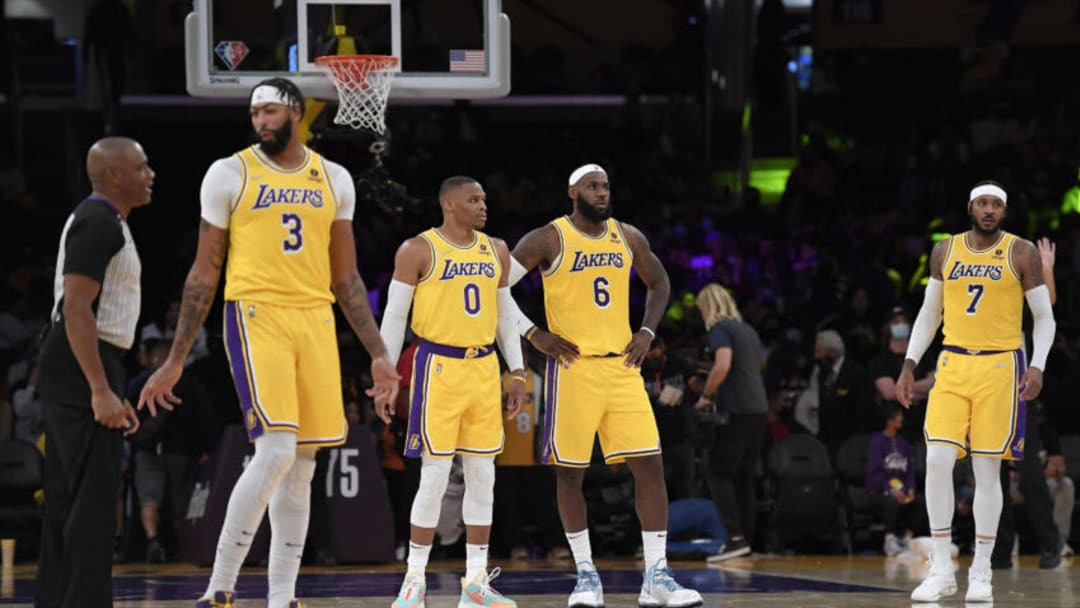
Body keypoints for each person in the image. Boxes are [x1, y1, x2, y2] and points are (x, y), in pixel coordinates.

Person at [138, 77, 399, 608]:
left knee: (303, 464)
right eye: (254, 112)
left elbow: (346, 279)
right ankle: (220, 586)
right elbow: (203, 272)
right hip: (256, 313)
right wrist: (176, 358)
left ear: (297, 114)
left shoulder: (336, 178)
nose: (261, 121)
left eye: (271, 111)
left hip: (315, 319)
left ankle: (283, 595)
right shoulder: (229, 172)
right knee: (276, 448)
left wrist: (378, 353)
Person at [506, 164, 703, 608]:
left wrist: (648, 332)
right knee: (569, 474)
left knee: (650, 467)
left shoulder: (628, 236)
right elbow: (497, 286)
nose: (601, 192)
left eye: (606, 186)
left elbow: (660, 282)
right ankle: (586, 576)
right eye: (593, 186)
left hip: (622, 368)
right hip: (572, 370)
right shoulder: (547, 238)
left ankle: (656, 575)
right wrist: (533, 333)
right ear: (572, 190)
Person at [897, 181, 1056, 603]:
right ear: (970, 207)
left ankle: (982, 570)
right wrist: (909, 363)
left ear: (1004, 212)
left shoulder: (1020, 252)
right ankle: (942, 568)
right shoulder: (944, 251)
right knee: (936, 460)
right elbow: (929, 313)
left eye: (996, 205)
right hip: (952, 363)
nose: (989, 210)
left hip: (1000, 367)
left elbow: (1044, 317)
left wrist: (1037, 364)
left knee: (987, 471)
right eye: (983, 203)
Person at [379, 176, 527, 608]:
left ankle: (476, 581)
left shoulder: (496, 249)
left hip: (483, 368)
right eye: (474, 199)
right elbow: (393, 316)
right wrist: (388, 374)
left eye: (484, 198)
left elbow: (505, 315)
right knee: (435, 477)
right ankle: (414, 580)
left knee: (484, 477)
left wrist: (516, 370)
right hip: (437, 368)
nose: (484, 205)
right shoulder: (417, 249)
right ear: (448, 204)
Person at [35, 136, 152, 607]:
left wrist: (108, 387)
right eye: (142, 167)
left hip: (83, 361)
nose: (151, 174)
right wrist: (99, 388)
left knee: (71, 496)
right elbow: (77, 309)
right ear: (116, 175)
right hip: (80, 358)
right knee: (92, 502)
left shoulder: (100, 219)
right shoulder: (99, 220)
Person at [992, 236, 1065, 569]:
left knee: (1030, 476)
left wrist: (1046, 269)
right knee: (990, 475)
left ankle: (1051, 545)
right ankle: (1000, 549)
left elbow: (1046, 304)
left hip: (1019, 392)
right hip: (987, 391)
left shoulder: (1014, 296)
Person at [694, 283, 768, 563]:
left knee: (718, 473)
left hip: (737, 410)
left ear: (708, 307)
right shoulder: (747, 330)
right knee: (744, 477)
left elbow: (723, 365)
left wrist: (705, 395)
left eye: (701, 309)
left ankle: (735, 538)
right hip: (758, 408)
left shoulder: (720, 330)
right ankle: (746, 540)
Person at [865, 405, 927, 556]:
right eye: (898, 416)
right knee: (891, 502)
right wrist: (891, 489)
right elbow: (875, 472)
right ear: (889, 420)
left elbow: (910, 470)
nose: (901, 419)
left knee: (921, 501)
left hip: (902, 490)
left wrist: (910, 488)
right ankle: (889, 539)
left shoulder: (903, 444)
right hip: (878, 491)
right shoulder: (876, 441)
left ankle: (907, 538)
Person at [868, 306, 935, 445]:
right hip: (897, 426)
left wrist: (902, 387)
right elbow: (889, 393)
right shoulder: (881, 360)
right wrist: (921, 391)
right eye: (896, 321)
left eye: (904, 321)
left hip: (924, 422)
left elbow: (935, 384)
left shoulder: (923, 355)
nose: (901, 325)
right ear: (887, 327)